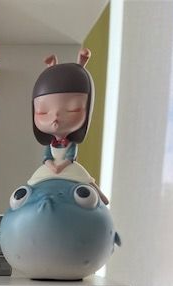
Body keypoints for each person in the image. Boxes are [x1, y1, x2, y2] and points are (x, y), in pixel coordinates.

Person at [31, 48, 108, 203]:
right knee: (31, 185)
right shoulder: (50, 143)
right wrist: (52, 167)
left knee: (85, 179)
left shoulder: (70, 144)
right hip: (51, 167)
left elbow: (70, 157)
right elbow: (46, 157)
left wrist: (60, 167)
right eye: (43, 112)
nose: (56, 117)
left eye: (72, 109)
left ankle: (100, 196)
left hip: (67, 166)